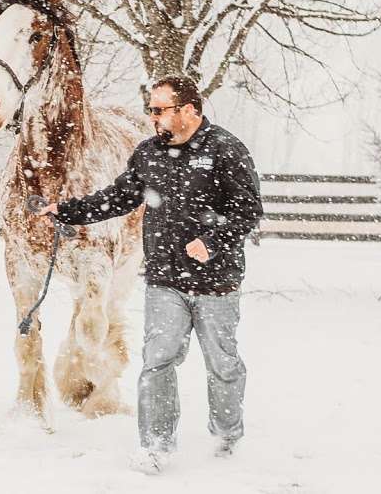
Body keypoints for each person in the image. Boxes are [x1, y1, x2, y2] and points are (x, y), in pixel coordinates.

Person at [40, 75, 263, 474]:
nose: (153, 116)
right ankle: (156, 445)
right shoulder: (149, 154)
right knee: (157, 362)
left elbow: (248, 211)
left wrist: (212, 242)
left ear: (188, 110)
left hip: (216, 283)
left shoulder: (226, 149)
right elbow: (118, 198)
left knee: (223, 363)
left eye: (160, 109)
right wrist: (68, 210)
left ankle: (226, 438)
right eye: (151, 109)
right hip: (164, 281)